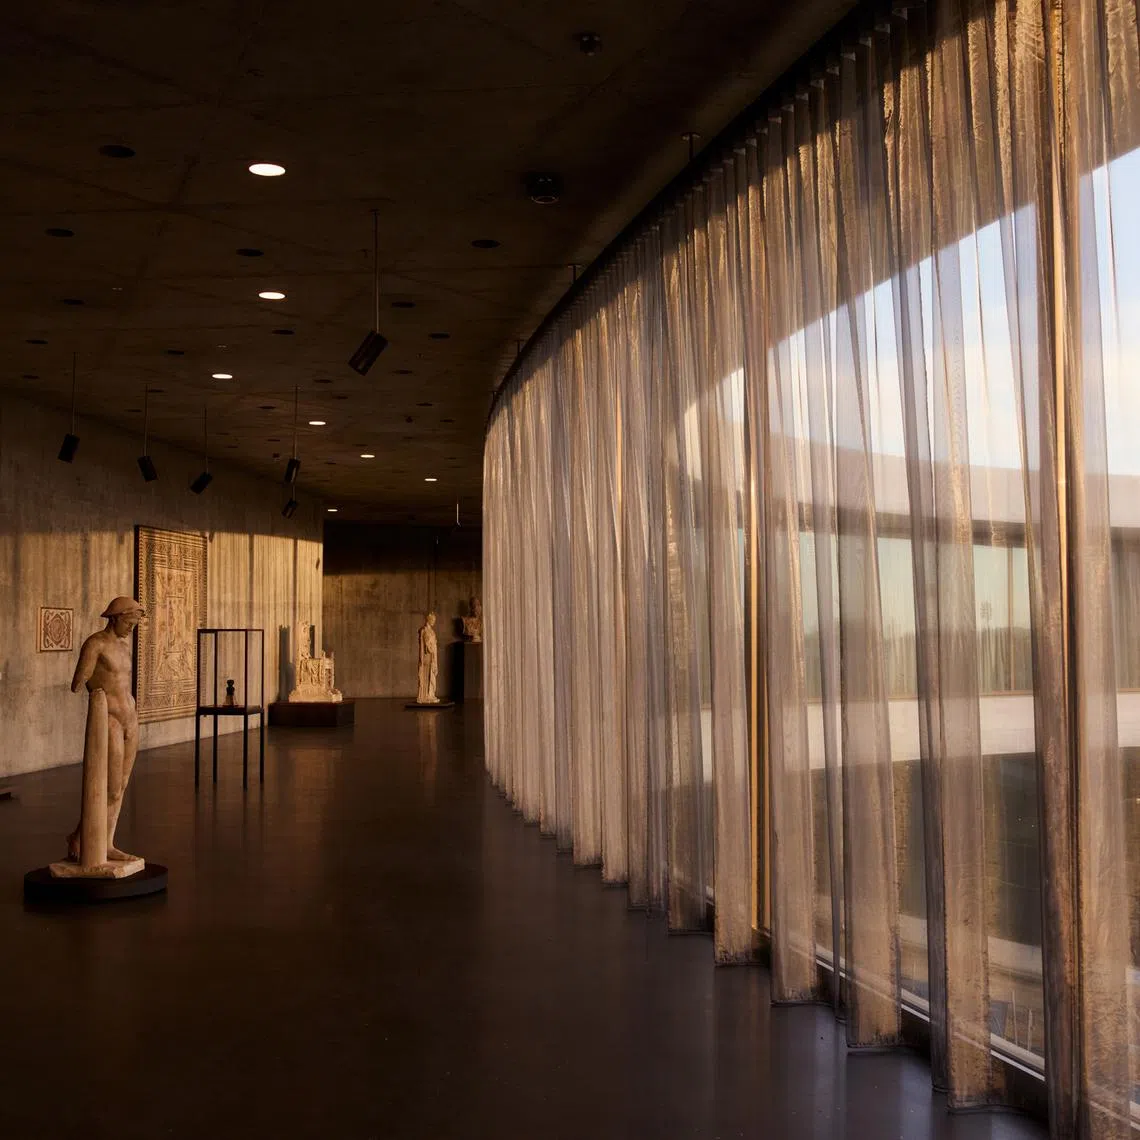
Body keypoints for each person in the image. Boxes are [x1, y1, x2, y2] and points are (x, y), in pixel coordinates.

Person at [65, 597, 145, 863]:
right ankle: (87, 838)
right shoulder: (96, 644)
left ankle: (105, 842)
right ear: (115, 617)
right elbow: (78, 683)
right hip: (109, 719)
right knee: (109, 788)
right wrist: (97, 693)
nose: (131, 629)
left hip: (130, 718)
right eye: (129, 623)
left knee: (120, 785)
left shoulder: (123, 647)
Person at [417, 613, 439, 704]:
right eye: (432, 620)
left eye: (434, 620)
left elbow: (433, 644)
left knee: (431, 675)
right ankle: (425, 696)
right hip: (427, 656)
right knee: (426, 675)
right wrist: (431, 649)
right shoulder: (424, 630)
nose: (434, 622)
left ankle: (430, 695)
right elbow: (425, 645)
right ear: (428, 619)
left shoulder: (432, 631)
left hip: (432, 656)